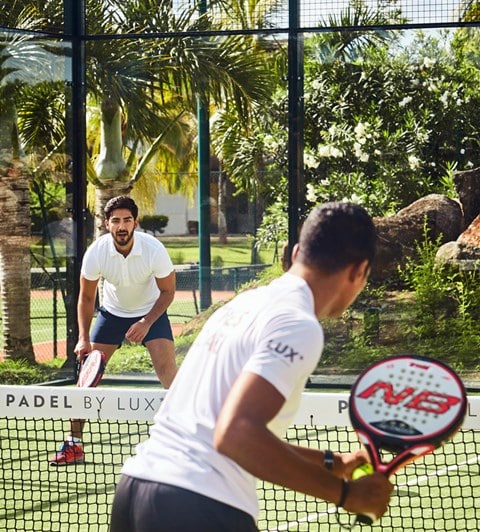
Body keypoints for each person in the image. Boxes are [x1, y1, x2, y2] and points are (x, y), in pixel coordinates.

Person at [109, 201, 393, 531]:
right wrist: (345, 495)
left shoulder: (242, 305)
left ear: (298, 251)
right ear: (358, 271)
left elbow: (218, 428)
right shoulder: (298, 324)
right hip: (197, 505)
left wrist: (332, 463)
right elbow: (235, 435)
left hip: (134, 491)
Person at [49, 195, 177, 466]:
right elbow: (85, 298)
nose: (122, 226)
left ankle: (187, 441)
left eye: (127, 220)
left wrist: (146, 322)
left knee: (169, 375)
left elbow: (167, 292)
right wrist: (83, 339)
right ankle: (73, 444)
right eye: (116, 221)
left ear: (135, 223)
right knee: (86, 380)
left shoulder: (153, 249)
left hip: (151, 313)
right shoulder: (96, 252)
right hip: (111, 314)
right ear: (107, 224)